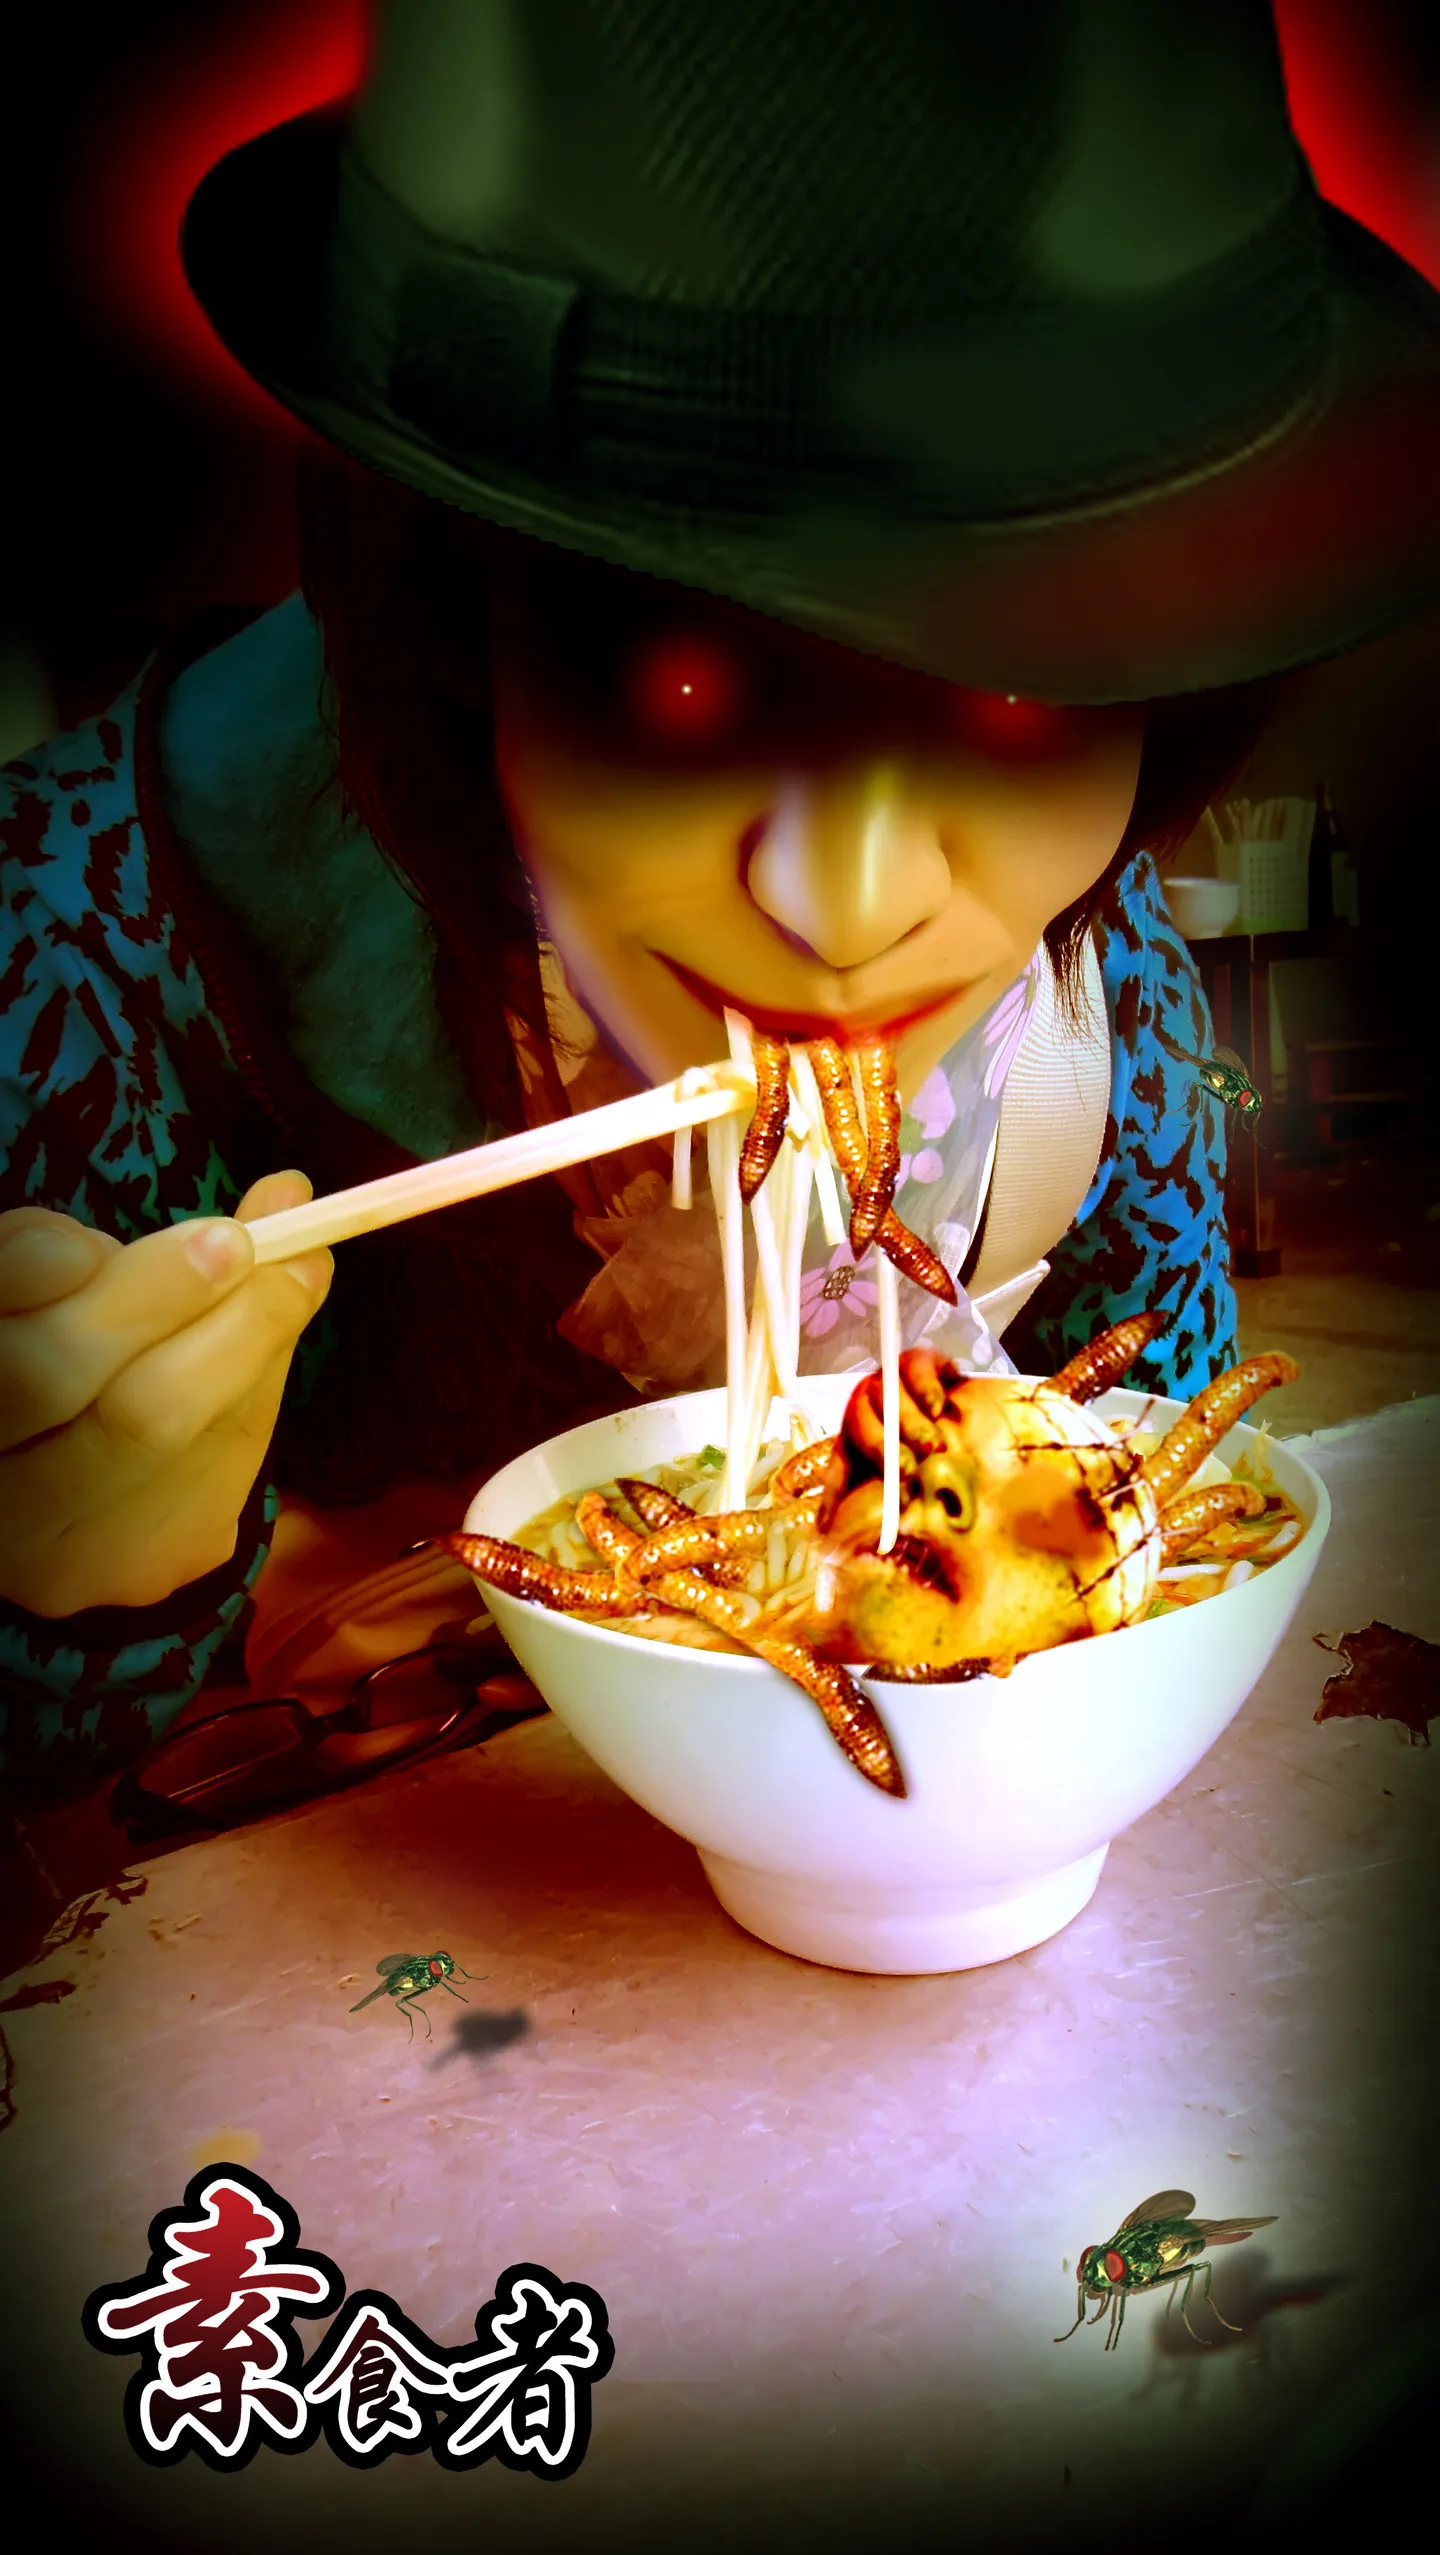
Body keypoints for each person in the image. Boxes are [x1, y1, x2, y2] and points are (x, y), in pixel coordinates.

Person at [3, 0, 1439, 1801]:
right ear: (460, 604)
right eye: (678, 677)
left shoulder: (1104, 1007)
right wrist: (87, 1603)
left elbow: (1151, 1535)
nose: (846, 905)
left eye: (1026, 679)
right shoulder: (83, 964)